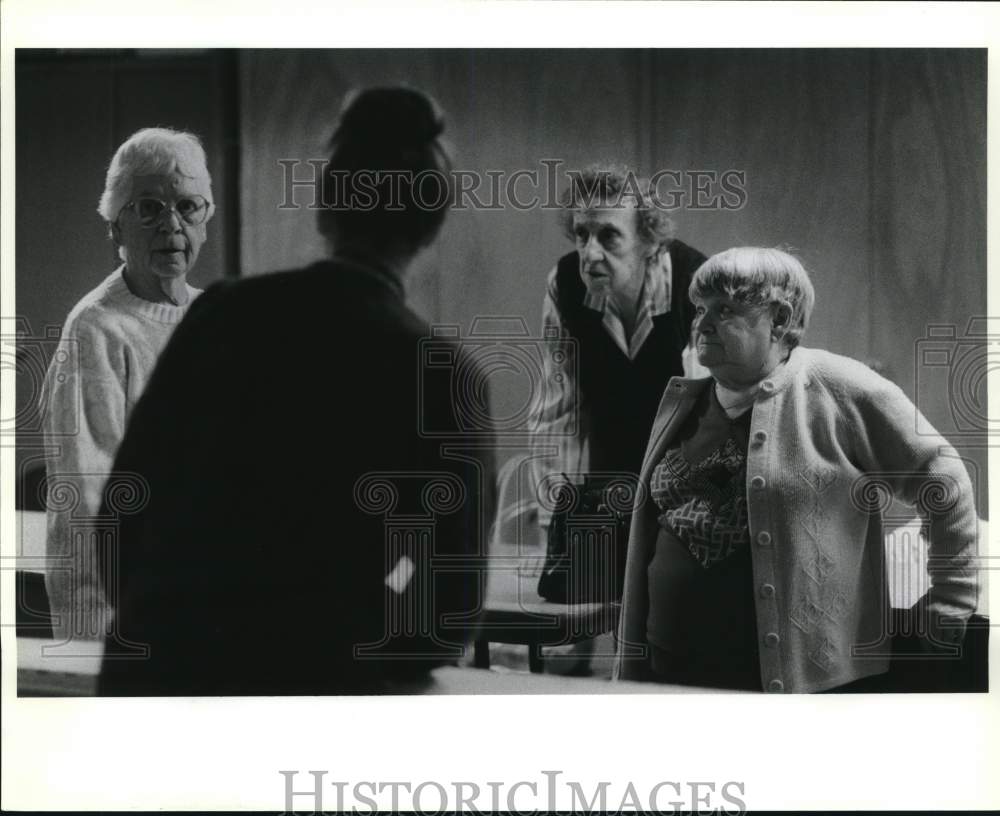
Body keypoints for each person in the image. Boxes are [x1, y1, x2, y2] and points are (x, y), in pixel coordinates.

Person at [97, 87, 495, 695]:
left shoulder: (222, 314)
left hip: (160, 679)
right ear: (432, 226)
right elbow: (447, 614)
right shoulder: (443, 375)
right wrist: (327, 633)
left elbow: (123, 516)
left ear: (324, 208)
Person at [613, 247, 979, 693]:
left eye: (724, 309)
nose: (702, 324)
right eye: (700, 308)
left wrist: (952, 597)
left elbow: (942, 475)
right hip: (668, 671)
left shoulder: (838, 387)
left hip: (791, 686)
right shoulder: (686, 399)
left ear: (780, 319)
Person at [523, 166, 707, 675]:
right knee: (571, 640)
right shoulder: (565, 284)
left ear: (650, 239)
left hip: (686, 473)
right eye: (581, 234)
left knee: (665, 647)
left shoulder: (696, 284)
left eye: (608, 236)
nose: (589, 253)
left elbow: (713, 417)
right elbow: (557, 412)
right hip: (607, 469)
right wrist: (557, 521)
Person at [41, 127, 213, 645]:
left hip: (195, 589)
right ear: (115, 227)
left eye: (187, 206)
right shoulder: (96, 327)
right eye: (148, 208)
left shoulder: (211, 317)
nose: (172, 225)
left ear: (206, 219)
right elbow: (89, 498)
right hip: (115, 604)